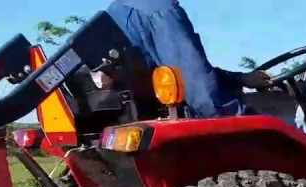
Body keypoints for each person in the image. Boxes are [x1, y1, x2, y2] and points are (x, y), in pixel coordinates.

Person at [105, 0, 275, 119]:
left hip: (129, 114)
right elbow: (198, 88)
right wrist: (245, 118)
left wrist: (240, 79)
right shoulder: (161, 11)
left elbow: (179, 70)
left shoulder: (119, 9)